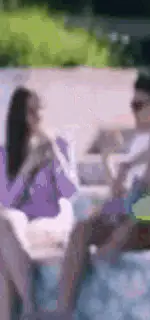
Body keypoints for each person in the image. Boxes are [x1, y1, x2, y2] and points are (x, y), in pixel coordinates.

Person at [40, 73, 150, 320]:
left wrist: (127, 166)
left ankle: (122, 235)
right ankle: (63, 309)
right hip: (142, 217)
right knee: (83, 228)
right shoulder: (140, 140)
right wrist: (108, 159)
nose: (133, 112)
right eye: (132, 105)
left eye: (138, 105)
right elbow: (121, 192)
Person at [0, 87, 78, 320]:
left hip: (50, 222)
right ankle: (29, 309)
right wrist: (27, 168)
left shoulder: (60, 145)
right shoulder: (5, 154)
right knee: (5, 223)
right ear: (19, 116)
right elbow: (7, 201)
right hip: (18, 227)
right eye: (31, 111)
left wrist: (55, 154)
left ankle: (28, 307)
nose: (38, 117)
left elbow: (70, 191)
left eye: (40, 110)